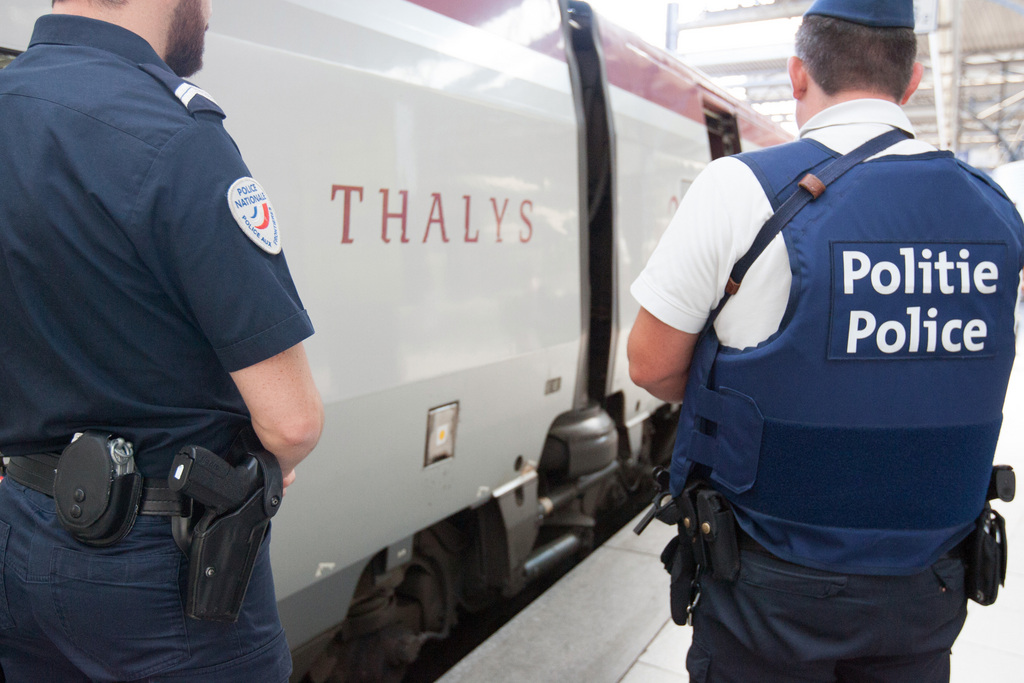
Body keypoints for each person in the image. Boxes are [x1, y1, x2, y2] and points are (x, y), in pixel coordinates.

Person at [628, 0, 1024, 680]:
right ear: (912, 81)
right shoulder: (996, 209)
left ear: (796, 73)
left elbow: (652, 365)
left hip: (766, 585)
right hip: (928, 587)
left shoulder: (742, 188)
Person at [0, 0, 324, 680]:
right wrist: (270, 460)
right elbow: (292, 420)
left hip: (19, 536)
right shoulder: (176, 135)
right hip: (158, 569)